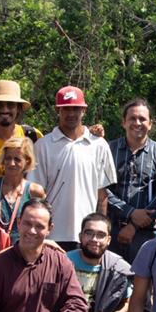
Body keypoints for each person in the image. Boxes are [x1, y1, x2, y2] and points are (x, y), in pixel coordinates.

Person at [32, 86, 116, 249]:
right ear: (58, 110)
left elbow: (102, 196)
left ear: (83, 110)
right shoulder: (43, 145)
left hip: (87, 235)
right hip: (51, 234)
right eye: (66, 109)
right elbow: (36, 194)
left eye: (76, 108)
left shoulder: (98, 144)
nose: (71, 113)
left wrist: (99, 232)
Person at [106, 98, 156, 262]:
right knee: (109, 282)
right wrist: (130, 212)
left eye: (142, 119)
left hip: (145, 233)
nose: (137, 123)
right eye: (132, 118)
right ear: (124, 122)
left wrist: (134, 225)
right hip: (110, 229)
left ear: (151, 124)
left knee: (143, 282)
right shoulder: (108, 150)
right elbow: (101, 188)